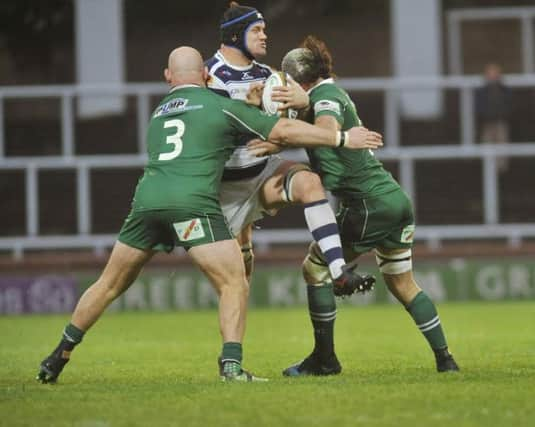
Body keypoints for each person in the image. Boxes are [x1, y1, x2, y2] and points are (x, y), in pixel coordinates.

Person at [35, 46, 383, 385]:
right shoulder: (217, 105)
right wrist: (340, 137)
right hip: (192, 204)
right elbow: (282, 132)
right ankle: (231, 367)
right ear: (205, 74)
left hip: (146, 203)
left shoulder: (160, 112)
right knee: (234, 283)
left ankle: (59, 355)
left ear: (168, 77)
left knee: (108, 284)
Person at [249, 35, 460, 375]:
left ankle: (324, 360)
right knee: (401, 282)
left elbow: (327, 129)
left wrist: (301, 117)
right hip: (393, 200)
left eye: (287, 83)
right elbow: (313, 135)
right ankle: (445, 359)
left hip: (366, 205)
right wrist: (278, 139)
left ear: (299, 81)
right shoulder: (320, 96)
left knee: (314, 268)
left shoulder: (326, 96)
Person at [205, 2, 373, 294]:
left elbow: (289, 121)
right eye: (256, 30)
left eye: (264, 30)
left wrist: (303, 102)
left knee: (309, 182)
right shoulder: (210, 75)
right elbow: (211, 130)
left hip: (260, 175)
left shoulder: (271, 77)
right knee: (237, 284)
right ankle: (234, 338)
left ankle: (339, 271)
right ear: (235, 36)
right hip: (223, 187)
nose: (264, 36)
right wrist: (253, 116)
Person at [475, 62, 512, 173]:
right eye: (490, 73)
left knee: (502, 143)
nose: (492, 75)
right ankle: (488, 168)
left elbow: (509, 104)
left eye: (494, 73)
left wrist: (504, 114)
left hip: (501, 121)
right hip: (487, 122)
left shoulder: (504, 89)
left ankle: (501, 169)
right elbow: (479, 105)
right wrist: (484, 115)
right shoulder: (482, 90)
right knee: (487, 144)